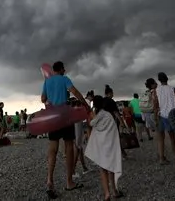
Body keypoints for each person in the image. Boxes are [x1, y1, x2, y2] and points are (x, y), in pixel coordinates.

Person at [41, 61, 90, 199]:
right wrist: (86, 105)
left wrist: (50, 100)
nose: (65, 70)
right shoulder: (64, 79)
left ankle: (50, 180)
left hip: (52, 116)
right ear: (60, 69)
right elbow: (75, 91)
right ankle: (69, 182)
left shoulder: (47, 81)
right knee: (69, 146)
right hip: (64, 115)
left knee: (53, 148)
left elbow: (43, 98)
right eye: (64, 68)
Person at [85, 95, 123, 200]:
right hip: (110, 146)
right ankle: (114, 191)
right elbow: (114, 132)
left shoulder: (95, 118)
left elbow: (91, 125)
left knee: (103, 169)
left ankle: (107, 194)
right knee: (111, 168)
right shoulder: (108, 116)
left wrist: (91, 117)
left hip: (101, 148)